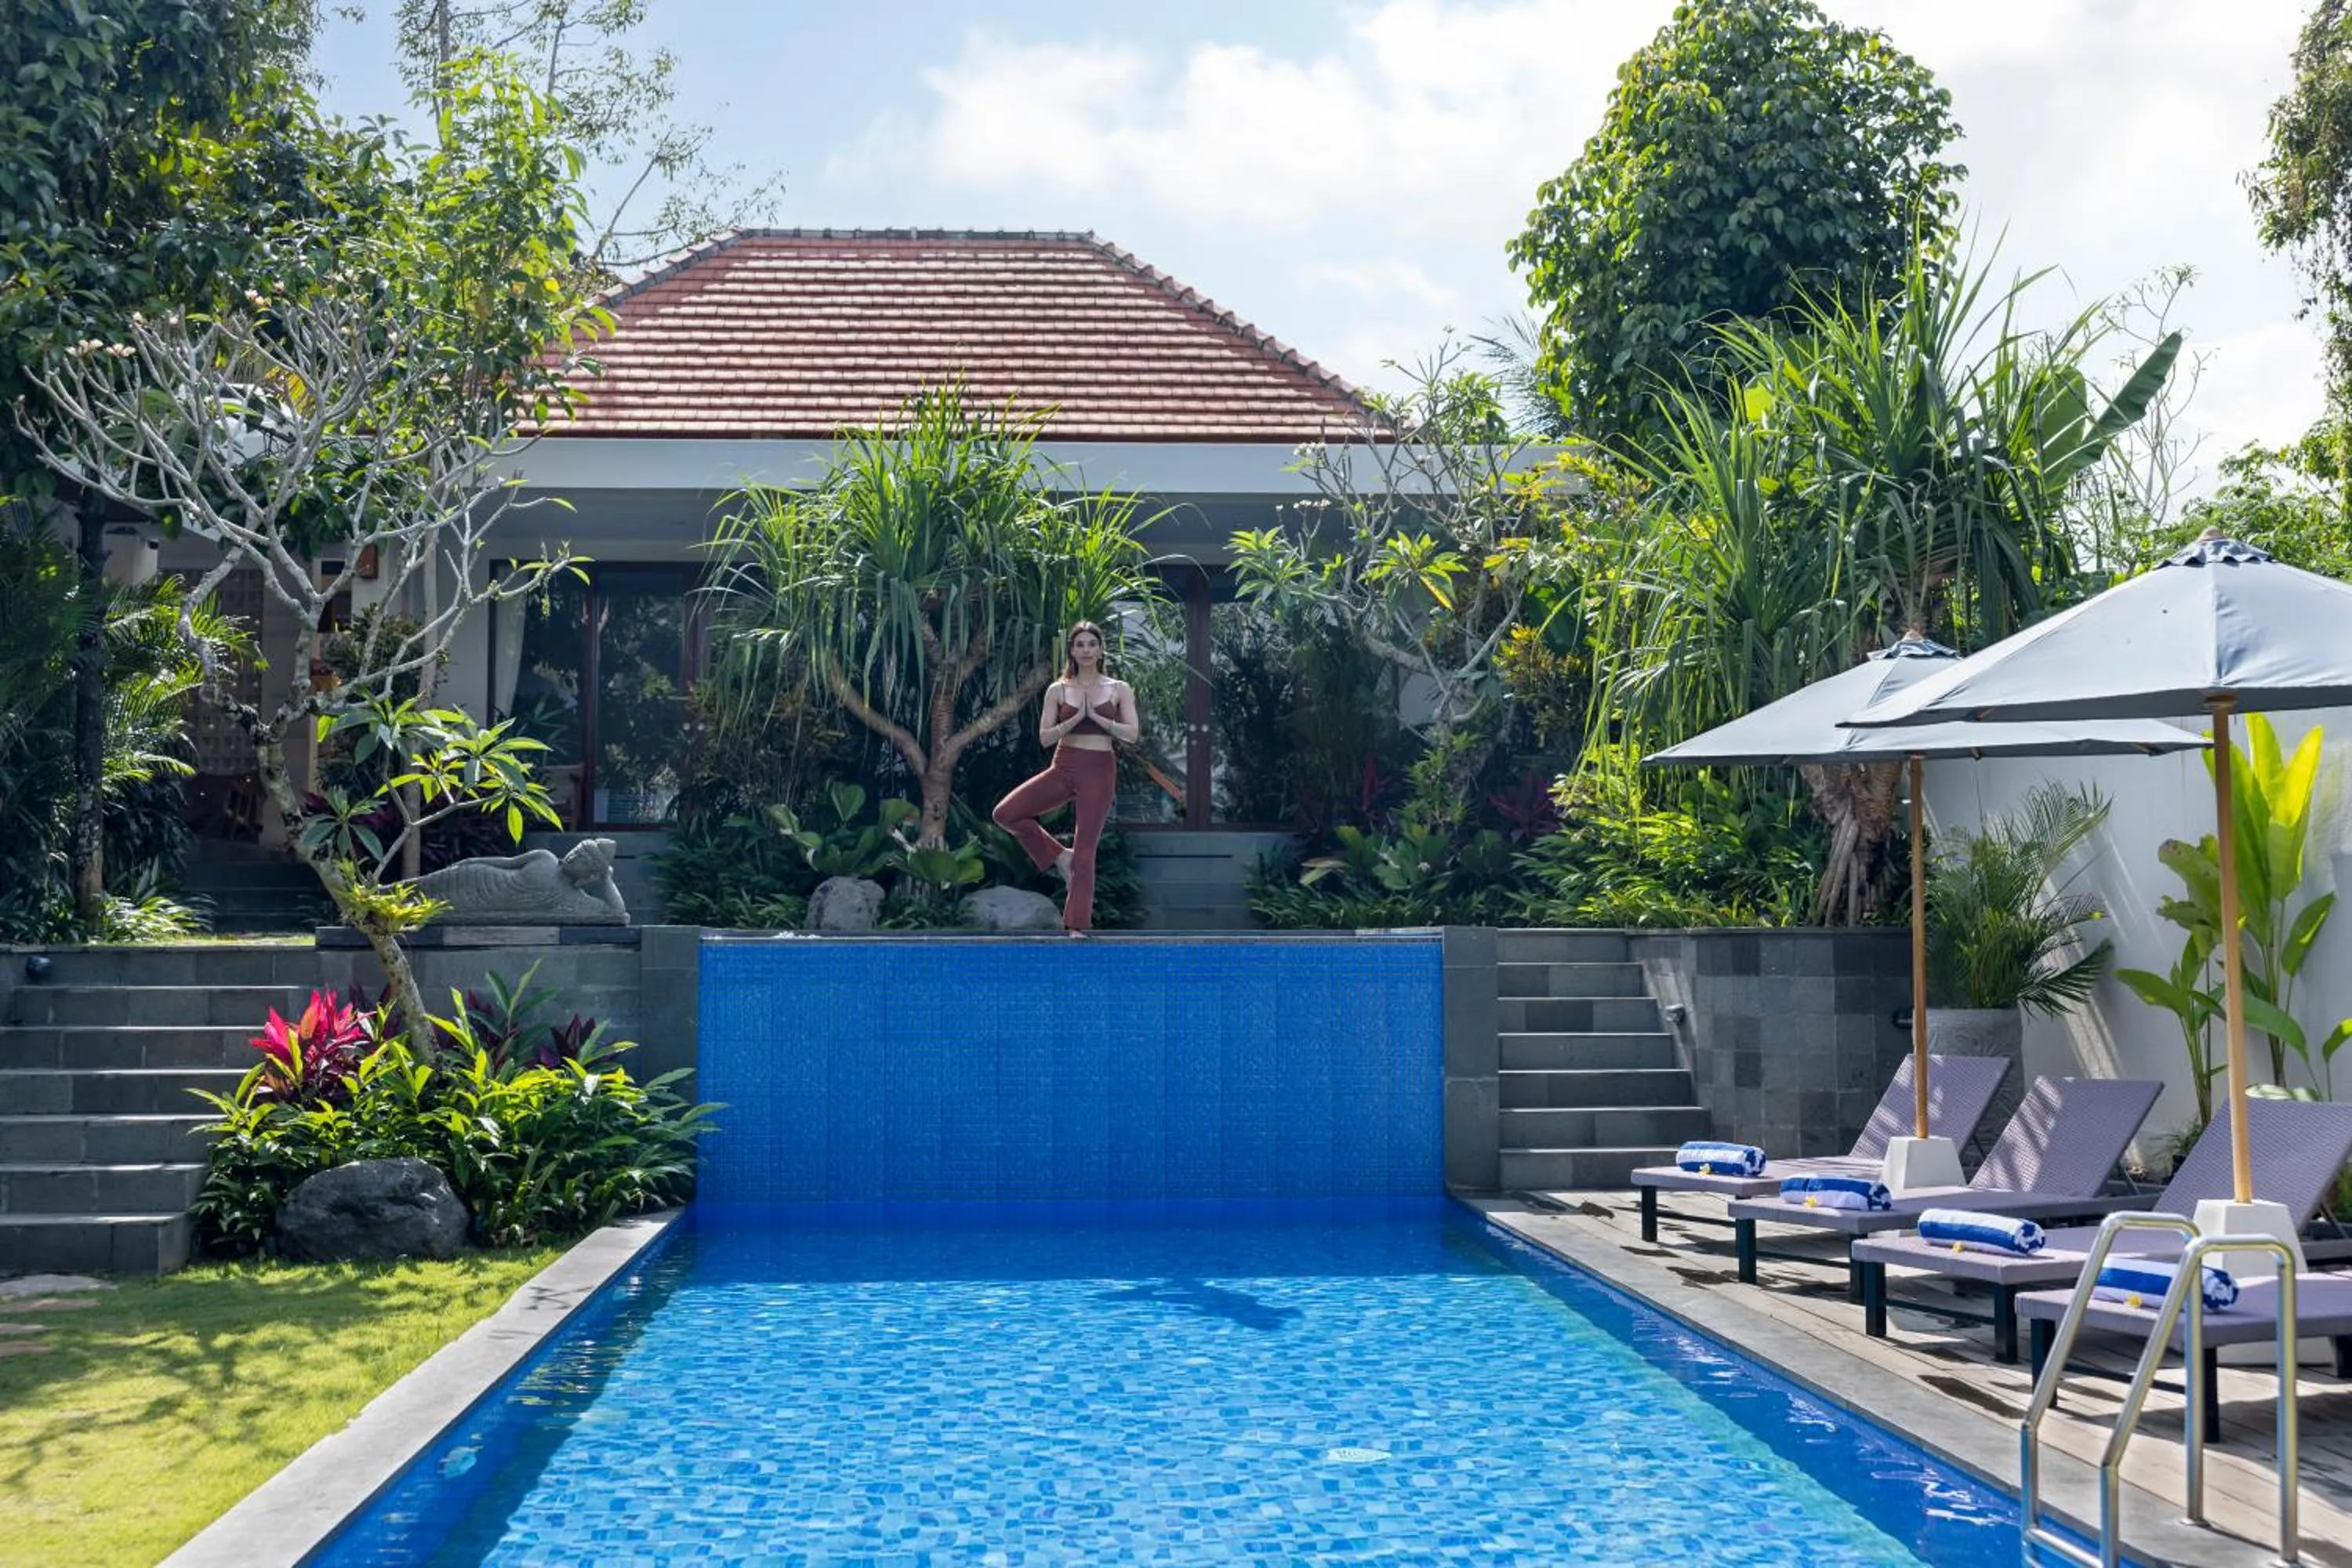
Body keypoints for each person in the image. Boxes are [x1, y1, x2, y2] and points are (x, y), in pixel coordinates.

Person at [993, 621, 1138, 933]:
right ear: (1071, 650)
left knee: (1086, 851)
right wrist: (1073, 722)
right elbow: (1045, 738)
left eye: (1091, 644)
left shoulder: (1118, 689)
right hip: (1064, 764)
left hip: (1099, 769)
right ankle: (1059, 855)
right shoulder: (1058, 690)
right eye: (1080, 644)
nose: (1086, 650)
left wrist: (1097, 717)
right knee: (1006, 813)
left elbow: (1132, 734)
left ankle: (1076, 928)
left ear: (1101, 650)